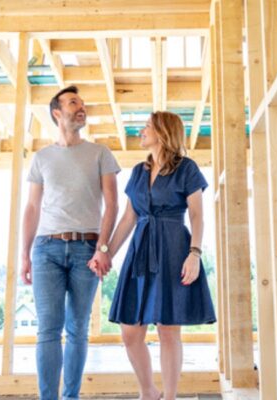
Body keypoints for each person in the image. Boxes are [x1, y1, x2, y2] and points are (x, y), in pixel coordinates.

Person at [94, 111, 216, 400]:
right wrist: (107, 252)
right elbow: (128, 218)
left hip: (174, 249)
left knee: (168, 330)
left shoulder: (186, 168)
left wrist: (194, 254)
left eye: (147, 127)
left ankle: (170, 396)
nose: (141, 131)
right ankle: (149, 391)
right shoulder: (138, 171)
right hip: (140, 251)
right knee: (130, 332)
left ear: (162, 133)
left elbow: (197, 215)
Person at [20, 85, 121, 400]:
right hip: (45, 249)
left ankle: (71, 397)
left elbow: (112, 205)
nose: (81, 108)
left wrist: (103, 248)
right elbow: (32, 208)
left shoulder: (100, 153)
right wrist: (24, 255)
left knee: (77, 329)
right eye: (74, 103)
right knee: (48, 330)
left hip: (86, 250)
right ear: (57, 113)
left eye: (82, 103)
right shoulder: (42, 157)